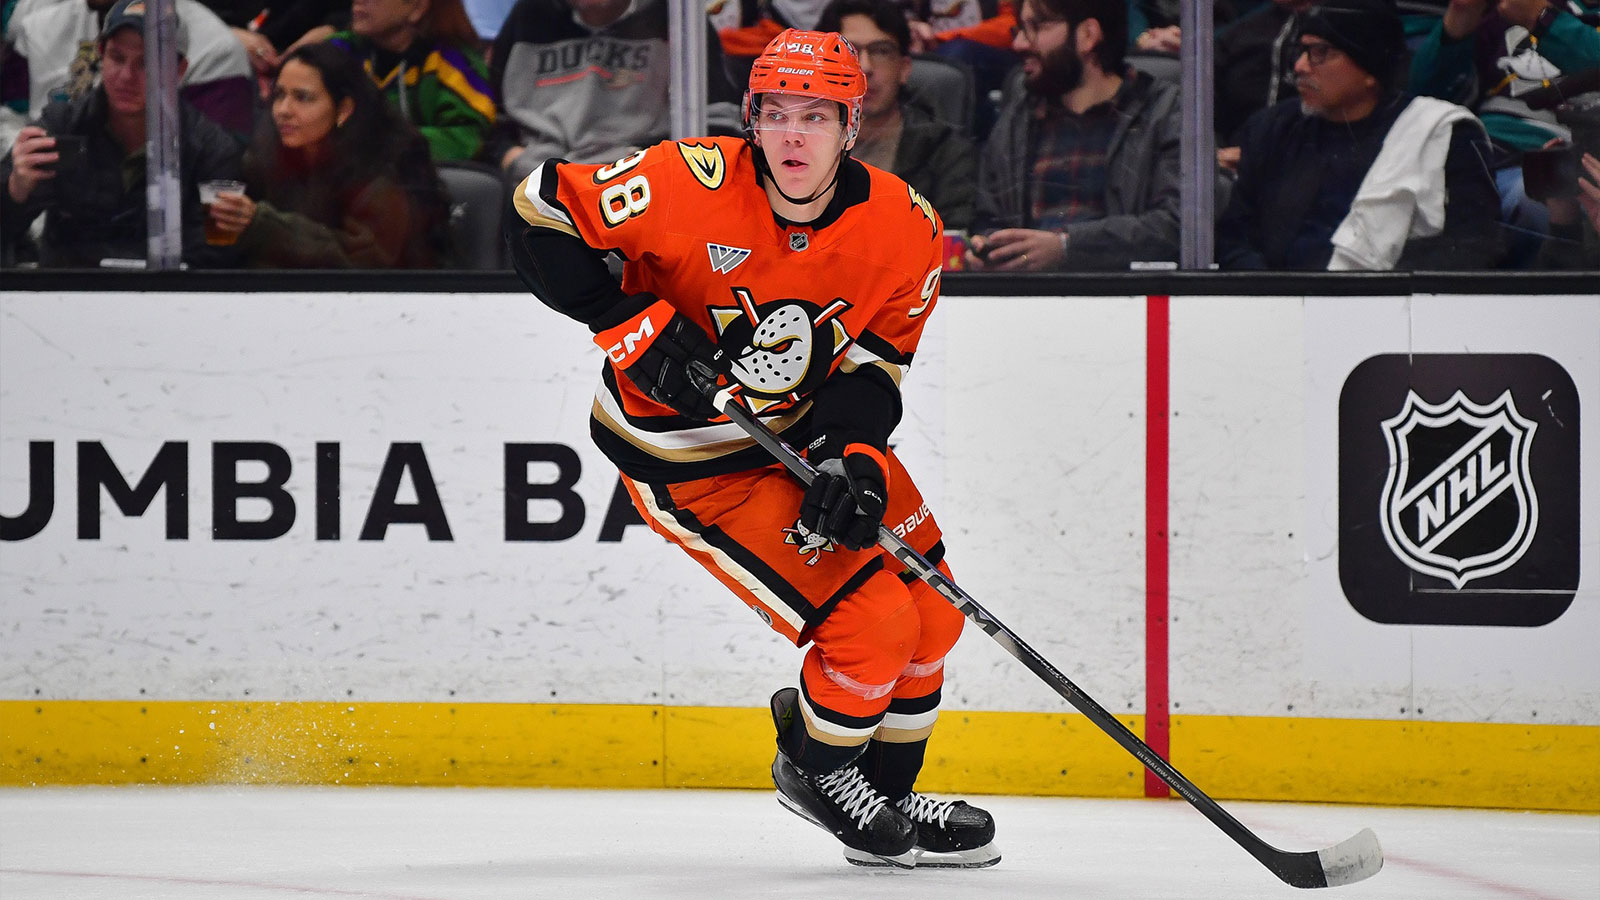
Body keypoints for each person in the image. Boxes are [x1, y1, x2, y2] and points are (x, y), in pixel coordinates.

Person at [505, 29, 998, 869]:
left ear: (852, 124)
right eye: (776, 113)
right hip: (691, 461)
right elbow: (538, 211)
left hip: (803, 438)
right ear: (750, 119)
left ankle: (888, 791)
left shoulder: (904, 225)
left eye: (817, 114)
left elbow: (876, 369)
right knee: (872, 625)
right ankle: (815, 767)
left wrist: (849, 456)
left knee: (935, 611)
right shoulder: (684, 180)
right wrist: (632, 326)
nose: (793, 134)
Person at [1216, 0, 1504, 270]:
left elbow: (1474, 245)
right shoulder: (1271, 129)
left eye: (1320, 53)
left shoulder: (1441, 135)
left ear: (1369, 68)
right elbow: (1234, 239)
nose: (1300, 67)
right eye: (1301, 51)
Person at [1, 0, 244, 267]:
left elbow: (221, 251)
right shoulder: (61, 126)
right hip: (70, 294)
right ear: (100, 55)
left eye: (146, 63)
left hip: (169, 300)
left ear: (179, 71)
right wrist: (15, 191)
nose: (126, 76)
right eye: (116, 58)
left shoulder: (215, 149)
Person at [965, 0, 1183, 270]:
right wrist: (986, 247)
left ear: (1088, 35)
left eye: (1037, 27)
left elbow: (1177, 226)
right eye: (1020, 29)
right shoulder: (1018, 117)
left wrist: (1068, 247)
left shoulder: (1165, 112)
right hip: (1026, 300)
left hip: (1129, 299)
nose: (1020, 43)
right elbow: (989, 215)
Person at [206, 41, 453, 266]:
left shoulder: (384, 173)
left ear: (343, 109)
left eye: (302, 98)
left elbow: (364, 263)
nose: (283, 110)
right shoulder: (267, 157)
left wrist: (263, 224)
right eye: (279, 95)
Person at [487, 0, 743, 184]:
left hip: (637, 182)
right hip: (537, 179)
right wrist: (509, 156)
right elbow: (488, 113)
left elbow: (719, 122)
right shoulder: (530, 15)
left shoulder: (676, 18)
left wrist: (649, 162)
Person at [817, 0, 977, 229]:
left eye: (881, 51)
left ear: (904, 69)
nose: (865, 67)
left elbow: (953, 237)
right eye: (847, 51)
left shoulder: (943, 151)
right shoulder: (798, 143)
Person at [3, 0, 256, 142]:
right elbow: (7, 120)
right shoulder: (40, 28)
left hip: (153, 221)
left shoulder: (215, 52)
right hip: (42, 217)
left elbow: (219, 177)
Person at [327, 0, 495, 161]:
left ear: (417, 7)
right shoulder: (338, 50)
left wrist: (382, 142)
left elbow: (467, 138)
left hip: (424, 183)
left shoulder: (454, 62)